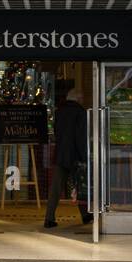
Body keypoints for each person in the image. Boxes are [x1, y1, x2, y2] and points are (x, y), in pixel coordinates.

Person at [45, 87, 92, 228]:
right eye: (82, 98)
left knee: (56, 188)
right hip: (75, 155)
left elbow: (56, 133)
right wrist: (85, 157)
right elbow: (81, 137)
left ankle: (49, 218)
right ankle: (85, 215)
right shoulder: (80, 112)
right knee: (79, 186)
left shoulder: (59, 112)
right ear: (77, 98)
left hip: (61, 154)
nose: (83, 100)